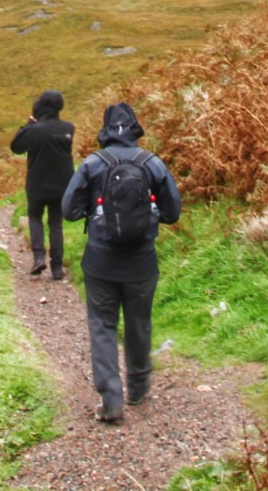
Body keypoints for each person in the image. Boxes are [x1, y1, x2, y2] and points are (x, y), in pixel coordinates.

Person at [61, 103, 182, 423]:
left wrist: (94, 208)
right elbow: (172, 213)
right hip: (141, 262)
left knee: (102, 325)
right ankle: (139, 388)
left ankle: (111, 398)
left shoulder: (92, 163)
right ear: (135, 129)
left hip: (100, 261)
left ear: (104, 131)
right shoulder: (152, 163)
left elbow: (69, 211)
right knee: (138, 323)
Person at [10, 90, 75, 279]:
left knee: (35, 217)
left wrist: (30, 123)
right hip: (62, 184)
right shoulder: (68, 128)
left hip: (37, 183)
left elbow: (16, 146)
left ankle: (39, 257)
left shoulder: (35, 130)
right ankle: (57, 267)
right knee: (56, 223)